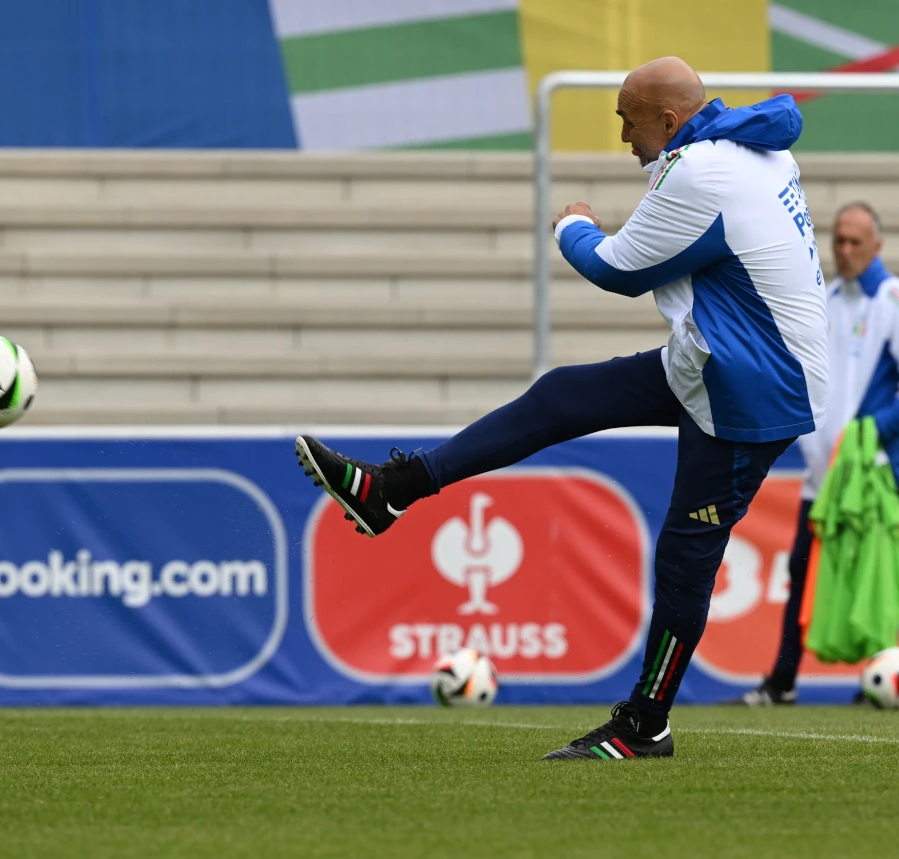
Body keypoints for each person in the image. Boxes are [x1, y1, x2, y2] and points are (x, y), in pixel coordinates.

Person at [295, 57, 828, 758]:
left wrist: (571, 225)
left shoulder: (702, 171)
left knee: (686, 553)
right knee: (563, 395)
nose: (621, 135)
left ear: (668, 122)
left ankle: (646, 724)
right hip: (717, 357)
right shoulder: (746, 146)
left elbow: (615, 269)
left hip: (753, 384)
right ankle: (391, 490)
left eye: (626, 119)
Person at [731, 201, 899, 706]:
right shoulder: (825, 298)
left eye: (855, 242)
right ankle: (781, 683)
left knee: (873, 575)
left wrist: (871, 431)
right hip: (822, 475)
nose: (845, 251)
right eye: (839, 241)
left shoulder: (897, 300)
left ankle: (882, 678)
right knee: (803, 571)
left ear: (877, 246)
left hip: (873, 473)